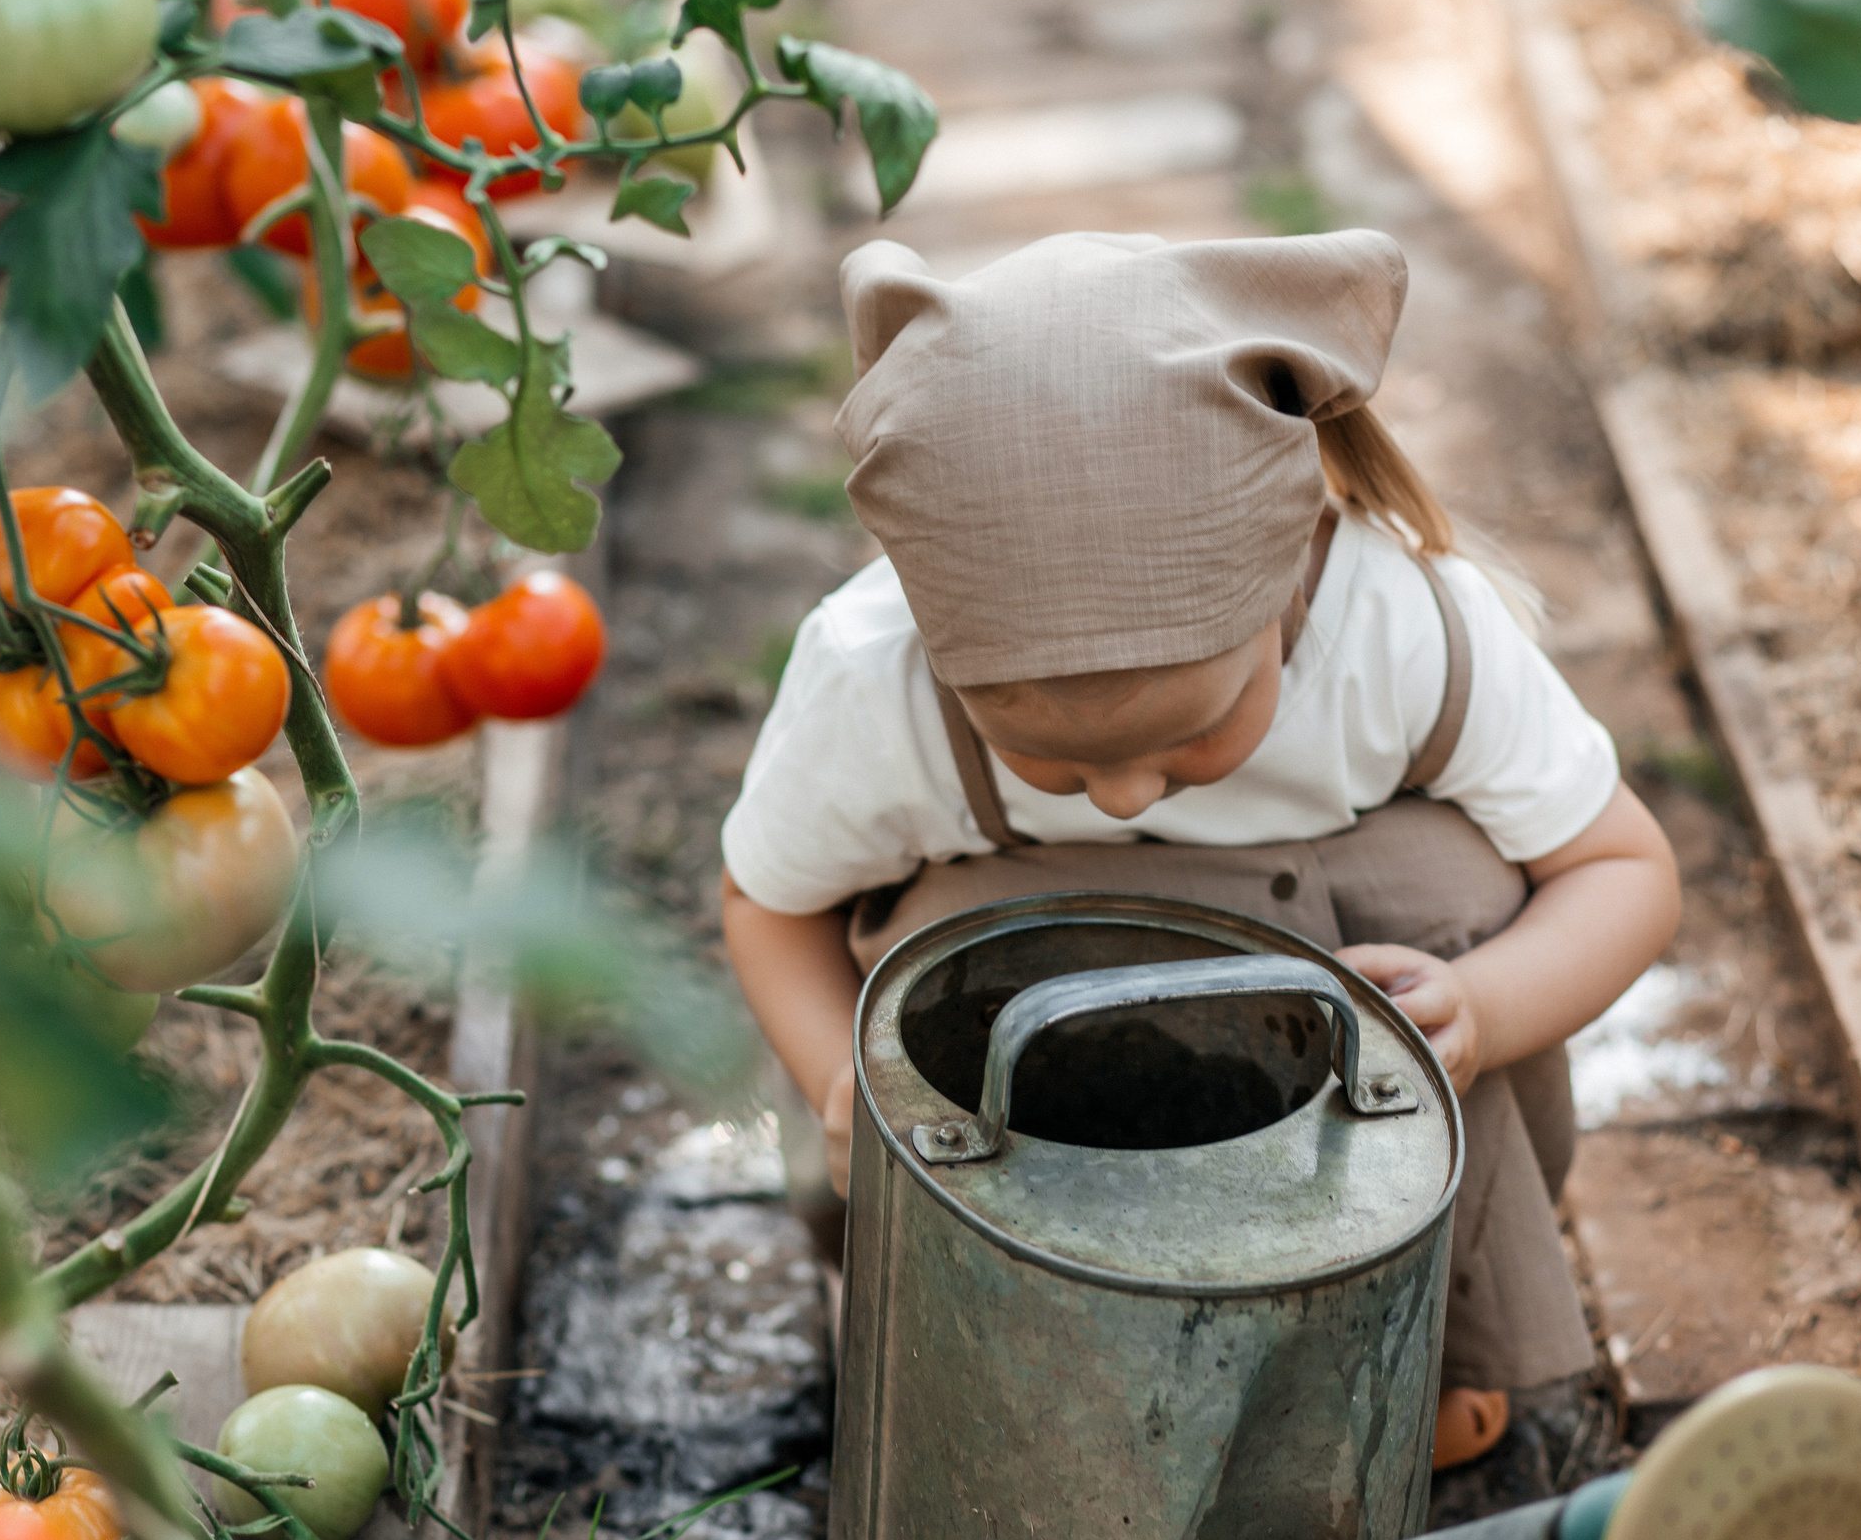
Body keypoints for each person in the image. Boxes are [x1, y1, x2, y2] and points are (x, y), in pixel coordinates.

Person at [718, 230, 1681, 1470]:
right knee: (911, 959)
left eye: (1190, 733)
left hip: (1335, 1019)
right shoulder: (872, 680)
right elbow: (766, 904)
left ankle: (1433, 1337)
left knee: (1457, 889)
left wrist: (1482, 1007)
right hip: (1031, 1071)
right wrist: (841, 1084)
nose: (1120, 798)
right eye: (1049, 759)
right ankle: (1012, 1324)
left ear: (1287, 575)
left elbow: (1623, 871)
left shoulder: (1402, 629)